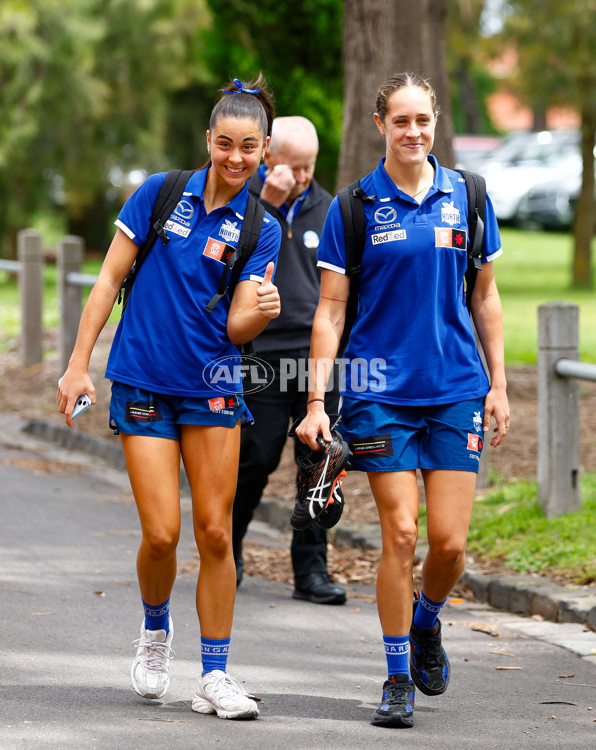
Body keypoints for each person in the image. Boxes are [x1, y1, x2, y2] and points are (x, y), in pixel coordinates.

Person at [57, 76, 282, 720]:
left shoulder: (260, 226)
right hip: (144, 379)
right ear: (208, 140)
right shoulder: (160, 194)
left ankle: (215, 675)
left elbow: (238, 326)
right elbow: (107, 279)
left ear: (263, 149)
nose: (236, 159)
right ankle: (156, 630)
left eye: (249, 148)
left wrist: (261, 314)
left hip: (211, 388)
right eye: (225, 144)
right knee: (162, 534)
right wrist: (78, 367)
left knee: (215, 533)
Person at [296, 72, 510, 729]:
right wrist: (315, 402)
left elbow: (486, 296)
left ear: (436, 121)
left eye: (423, 120)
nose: (413, 132)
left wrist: (498, 384)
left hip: (454, 391)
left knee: (447, 545)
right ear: (379, 124)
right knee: (402, 533)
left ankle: (426, 623)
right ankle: (395, 677)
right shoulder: (355, 206)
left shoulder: (467, 195)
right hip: (377, 394)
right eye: (401, 121)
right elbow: (330, 311)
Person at [232, 116, 346, 605]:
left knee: (319, 464)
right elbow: (234, 256)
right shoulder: (246, 203)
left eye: (308, 167)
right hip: (264, 353)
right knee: (254, 458)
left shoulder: (333, 209)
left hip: (317, 354)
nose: (300, 177)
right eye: (291, 167)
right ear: (269, 159)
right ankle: (227, 549)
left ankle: (311, 569)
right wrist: (270, 204)